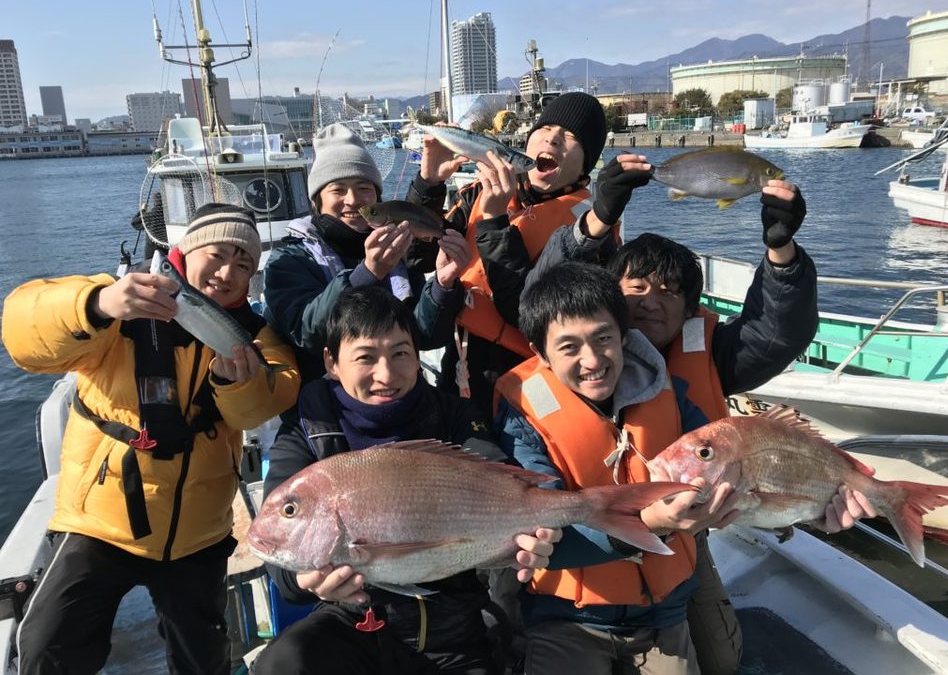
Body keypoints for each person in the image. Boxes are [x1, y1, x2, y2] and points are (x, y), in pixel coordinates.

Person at [521, 155, 871, 675]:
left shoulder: (707, 356)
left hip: (690, 531)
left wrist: (782, 253)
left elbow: (777, 333)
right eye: (636, 288)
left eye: (670, 292)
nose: (651, 301)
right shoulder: (573, 353)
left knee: (722, 660)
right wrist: (596, 220)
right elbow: (544, 296)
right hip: (583, 560)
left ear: (690, 310)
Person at [1, 202, 301, 675]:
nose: (228, 273)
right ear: (186, 251)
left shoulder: (255, 334)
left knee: (202, 659)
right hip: (101, 520)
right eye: (217, 254)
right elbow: (23, 333)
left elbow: (269, 399)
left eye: (244, 265)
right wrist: (96, 305)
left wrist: (237, 383)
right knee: (47, 646)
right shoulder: (120, 305)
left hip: (199, 529)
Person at [252, 286, 561, 675]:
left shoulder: (454, 415)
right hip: (353, 621)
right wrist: (304, 580)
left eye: (400, 354)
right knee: (283, 662)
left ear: (417, 356)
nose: (386, 374)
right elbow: (279, 558)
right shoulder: (306, 430)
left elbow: (496, 473)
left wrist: (533, 534)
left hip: (455, 625)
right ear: (331, 361)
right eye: (366, 357)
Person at [494, 261, 738, 675]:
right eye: (569, 347)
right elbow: (544, 539)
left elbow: (731, 461)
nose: (592, 360)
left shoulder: (669, 394)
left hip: (664, 611)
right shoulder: (521, 417)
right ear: (541, 353)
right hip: (567, 617)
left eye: (603, 338)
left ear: (624, 336)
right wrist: (651, 523)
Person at [405, 92, 608, 412]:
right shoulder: (476, 194)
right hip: (460, 364)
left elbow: (524, 314)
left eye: (570, 136)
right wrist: (428, 184)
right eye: (545, 128)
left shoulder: (589, 230)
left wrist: (495, 220)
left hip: (529, 386)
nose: (553, 138)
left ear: (587, 165)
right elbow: (416, 258)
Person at [263, 122, 470, 382]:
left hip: (401, 391)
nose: (352, 200)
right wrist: (368, 274)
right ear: (316, 202)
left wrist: (442, 285)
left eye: (364, 188)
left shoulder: (395, 252)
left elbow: (424, 336)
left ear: (377, 198)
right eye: (337, 189)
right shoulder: (289, 260)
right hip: (326, 402)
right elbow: (308, 333)